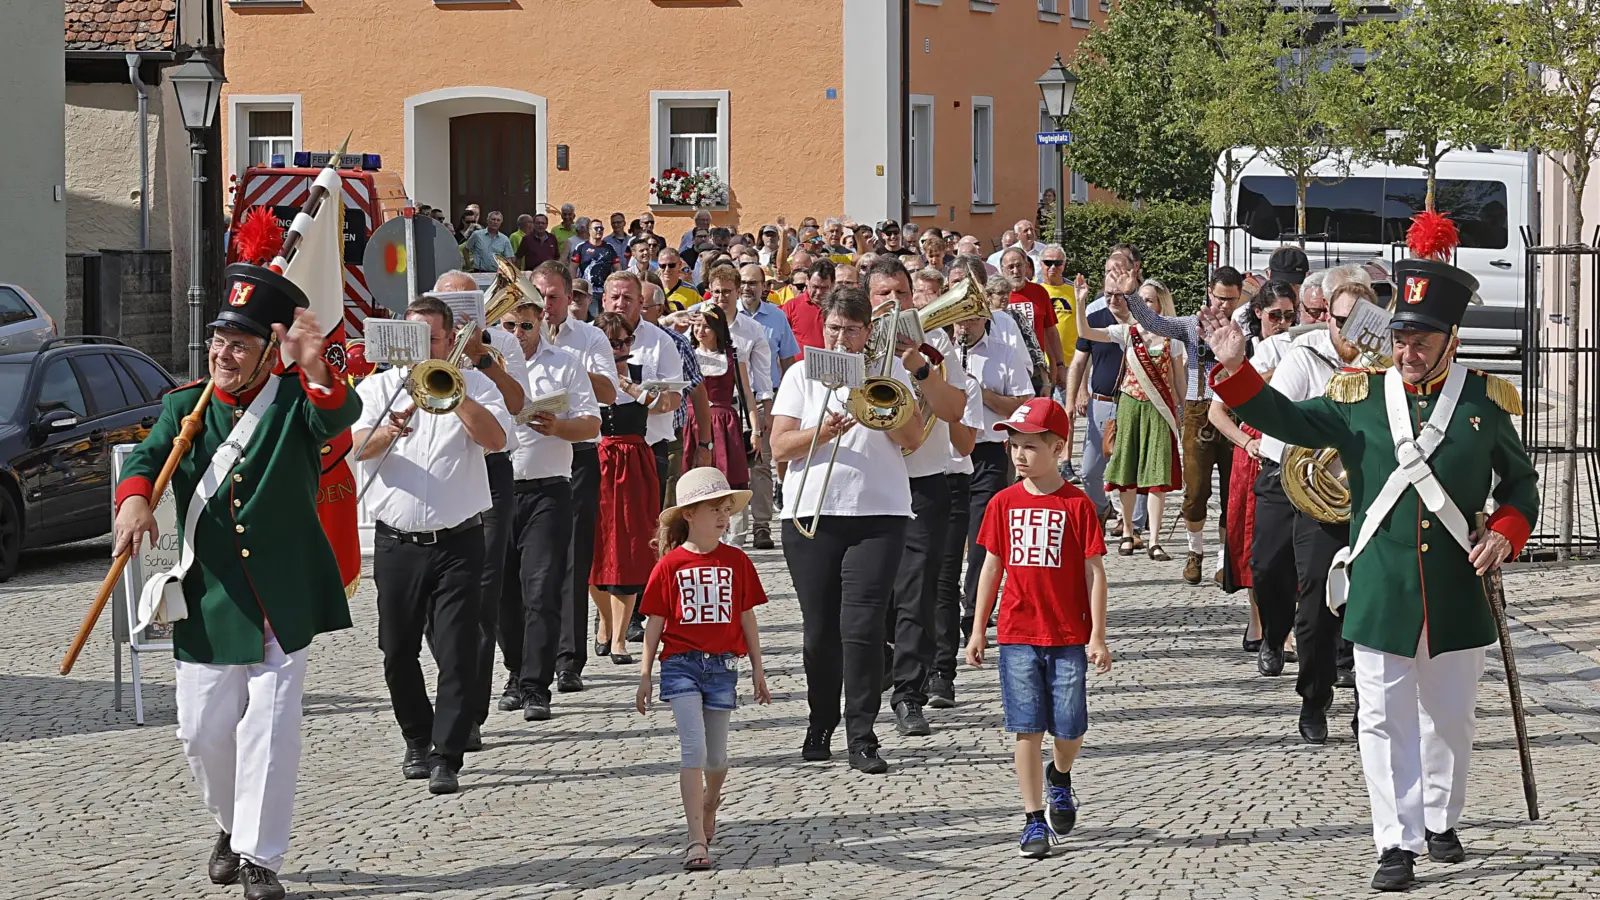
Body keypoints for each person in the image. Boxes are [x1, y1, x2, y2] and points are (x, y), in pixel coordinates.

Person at [1200, 235, 1537, 892]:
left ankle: (1441, 819)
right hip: (1381, 587)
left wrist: (1505, 532)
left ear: (1450, 338)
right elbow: (1283, 418)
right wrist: (1235, 369)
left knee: (1451, 716)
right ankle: (1396, 840)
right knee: (1382, 719)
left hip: (1456, 588)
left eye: (1422, 341)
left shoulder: (1483, 404)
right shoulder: (1358, 397)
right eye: (1401, 338)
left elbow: (1520, 487)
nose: (1407, 353)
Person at [111, 264, 361, 900]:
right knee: (199, 731)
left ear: (267, 353)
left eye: (242, 344)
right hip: (212, 595)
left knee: (271, 727)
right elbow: (144, 459)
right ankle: (229, 825)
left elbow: (339, 416)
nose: (225, 353)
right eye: (220, 341)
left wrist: (317, 367)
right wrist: (135, 500)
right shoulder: (183, 406)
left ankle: (259, 858)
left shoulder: (295, 403)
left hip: (284, 594)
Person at [353, 296, 514, 796]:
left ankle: (447, 754)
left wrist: (455, 395)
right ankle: (417, 738)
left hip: (459, 540)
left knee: (458, 647)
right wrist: (388, 429)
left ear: (450, 340)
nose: (424, 348)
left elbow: (497, 441)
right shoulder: (377, 387)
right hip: (397, 541)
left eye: (433, 339)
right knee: (396, 650)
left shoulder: (476, 385)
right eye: (415, 338)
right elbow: (352, 447)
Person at [770, 284, 926, 774]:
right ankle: (821, 721)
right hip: (811, 513)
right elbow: (778, 447)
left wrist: (870, 402)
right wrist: (823, 432)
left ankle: (863, 735)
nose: (840, 338)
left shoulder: (891, 372)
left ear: (866, 334)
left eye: (851, 330)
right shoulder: (800, 375)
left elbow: (913, 439)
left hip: (878, 513)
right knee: (819, 632)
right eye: (834, 328)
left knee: (861, 629)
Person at [964, 397, 1110, 859]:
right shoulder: (1002, 503)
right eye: (1014, 446)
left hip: (1068, 635)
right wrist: (978, 627)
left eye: (1030, 446)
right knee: (1026, 728)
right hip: (1017, 635)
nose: (1019, 455)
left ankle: (1060, 776)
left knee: (1069, 728)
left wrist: (1098, 637)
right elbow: (991, 567)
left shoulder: (1077, 504)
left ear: (1058, 448)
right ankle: (1032, 820)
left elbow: (1095, 573)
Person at [635, 467, 772, 872]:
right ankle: (696, 839)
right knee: (692, 750)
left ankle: (711, 801)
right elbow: (655, 624)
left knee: (717, 760)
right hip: (680, 666)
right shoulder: (669, 565)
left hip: (723, 667)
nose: (722, 517)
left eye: (725, 509)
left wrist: (758, 669)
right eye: (714, 508)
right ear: (689, 514)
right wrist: (645, 674)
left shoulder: (737, 561)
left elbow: (747, 617)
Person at [869, 257, 978, 734]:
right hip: (872, 484)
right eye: (882, 294)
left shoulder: (936, 348)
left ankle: (910, 693)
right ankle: (887, 670)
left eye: (901, 294)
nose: (893, 303)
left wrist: (920, 366)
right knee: (879, 595)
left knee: (916, 592)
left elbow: (956, 411)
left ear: (914, 299)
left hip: (924, 482)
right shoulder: (855, 346)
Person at [425, 272, 528, 747]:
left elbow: (518, 405)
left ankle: (467, 713)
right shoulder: (415, 350)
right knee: (432, 606)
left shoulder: (501, 344)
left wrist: (481, 359)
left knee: (480, 597)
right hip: (436, 479)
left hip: (490, 473)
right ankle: (455, 690)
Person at [496, 292, 600, 722]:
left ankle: (537, 686)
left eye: (525, 326)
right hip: (497, 489)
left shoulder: (565, 364)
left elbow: (592, 424)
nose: (517, 335)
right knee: (504, 595)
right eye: (508, 326)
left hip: (548, 488)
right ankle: (515, 671)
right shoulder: (483, 367)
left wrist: (558, 426)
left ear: (541, 323)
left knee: (541, 589)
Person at [524, 261, 618, 696]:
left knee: (573, 558)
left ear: (569, 298)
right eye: (539, 295)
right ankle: (527, 661)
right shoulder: (515, 333)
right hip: (530, 458)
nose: (546, 304)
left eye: (554, 296)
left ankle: (569, 660)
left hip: (577, 453)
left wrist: (573, 369)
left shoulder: (590, 336)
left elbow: (609, 393)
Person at [1123, 265, 1246, 584]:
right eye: (1220, 298)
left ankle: (1225, 559)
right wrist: (1131, 294)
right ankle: (1195, 553)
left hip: (1237, 411)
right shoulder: (1192, 326)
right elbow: (1154, 322)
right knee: (1195, 491)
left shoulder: (1247, 327)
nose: (1225, 306)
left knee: (1233, 492)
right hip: (1198, 410)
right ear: (1209, 292)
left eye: (1232, 300)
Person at [1210, 281, 1298, 668]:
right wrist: (1245, 443)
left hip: (1293, 453)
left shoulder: (1301, 348)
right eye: (1275, 315)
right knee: (1251, 543)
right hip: (1254, 454)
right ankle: (1257, 618)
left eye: (1290, 316)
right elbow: (1218, 412)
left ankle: (1287, 628)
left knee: (1289, 546)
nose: (1282, 323)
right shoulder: (1245, 352)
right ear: (1259, 314)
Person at [1073, 275, 1183, 559]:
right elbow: (1085, 331)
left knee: (1157, 473)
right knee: (1127, 471)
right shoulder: (1125, 331)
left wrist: (1183, 412)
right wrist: (1080, 300)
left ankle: (1154, 539)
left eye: (1148, 300)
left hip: (1159, 409)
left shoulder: (1173, 336)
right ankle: (1128, 534)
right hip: (1130, 406)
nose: (1142, 305)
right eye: (1140, 300)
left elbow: (1178, 381)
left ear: (1160, 305)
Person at [952, 295, 1035, 643]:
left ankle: (974, 609)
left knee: (980, 536)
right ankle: (947, 599)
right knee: (950, 535)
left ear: (985, 319)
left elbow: (1024, 403)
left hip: (987, 451)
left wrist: (980, 393)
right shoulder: (940, 353)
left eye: (970, 320)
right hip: (949, 453)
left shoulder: (1003, 351)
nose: (963, 327)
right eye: (959, 320)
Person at [590, 312, 663, 664]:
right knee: (597, 548)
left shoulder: (640, 372)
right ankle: (605, 621)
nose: (620, 349)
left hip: (634, 462)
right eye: (612, 343)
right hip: (600, 462)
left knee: (631, 548)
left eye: (625, 341)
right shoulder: (585, 374)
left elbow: (663, 405)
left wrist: (629, 386)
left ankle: (619, 637)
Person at [1064, 252, 1146, 536]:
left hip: (1136, 404)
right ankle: (1103, 509)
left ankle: (1132, 526)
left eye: (1119, 294)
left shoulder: (1144, 319)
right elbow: (1077, 362)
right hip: (1102, 404)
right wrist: (1072, 399)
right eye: (1109, 294)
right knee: (1089, 471)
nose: (1113, 300)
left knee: (1132, 468)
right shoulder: (1094, 318)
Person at [736, 262, 800, 548]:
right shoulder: (723, 315)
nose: (748, 287)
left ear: (765, 286)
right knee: (733, 464)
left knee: (761, 464)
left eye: (753, 282)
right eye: (744, 282)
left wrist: (787, 401)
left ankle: (762, 525)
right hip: (730, 400)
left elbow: (787, 361)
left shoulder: (776, 317)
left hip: (765, 399)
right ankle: (732, 528)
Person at [683, 301, 760, 497]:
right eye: (697, 325)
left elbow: (747, 394)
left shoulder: (732, 356)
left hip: (724, 425)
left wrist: (755, 431)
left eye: (707, 326)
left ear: (718, 328)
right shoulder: (686, 355)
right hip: (691, 424)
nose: (700, 331)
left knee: (725, 484)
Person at [999, 248, 1066, 392]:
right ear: (1002, 270)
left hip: (1036, 370)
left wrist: (1058, 365)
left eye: (1019, 265)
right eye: (1010, 267)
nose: (1015, 271)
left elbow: (1051, 332)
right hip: (1004, 368)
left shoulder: (1039, 292)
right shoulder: (995, 296)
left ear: (1026, 267)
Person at [783, 259, 837, 350]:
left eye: (824, 288)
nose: (819, 292)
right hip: (799, 364)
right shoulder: (791, 306)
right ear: (807, 280)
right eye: (815, 287)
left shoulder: (839, 308)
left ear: (833, 283)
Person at [572, 219, 620, 296]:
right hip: (587, 291)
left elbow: (617, 268)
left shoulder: (609, 247)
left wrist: (617, 284)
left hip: (606, 291)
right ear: (589, 230)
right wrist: (573, 285)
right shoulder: (581, 247)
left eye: (601, 228)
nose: (599, 230)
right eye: (596, 228)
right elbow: (573, 267)